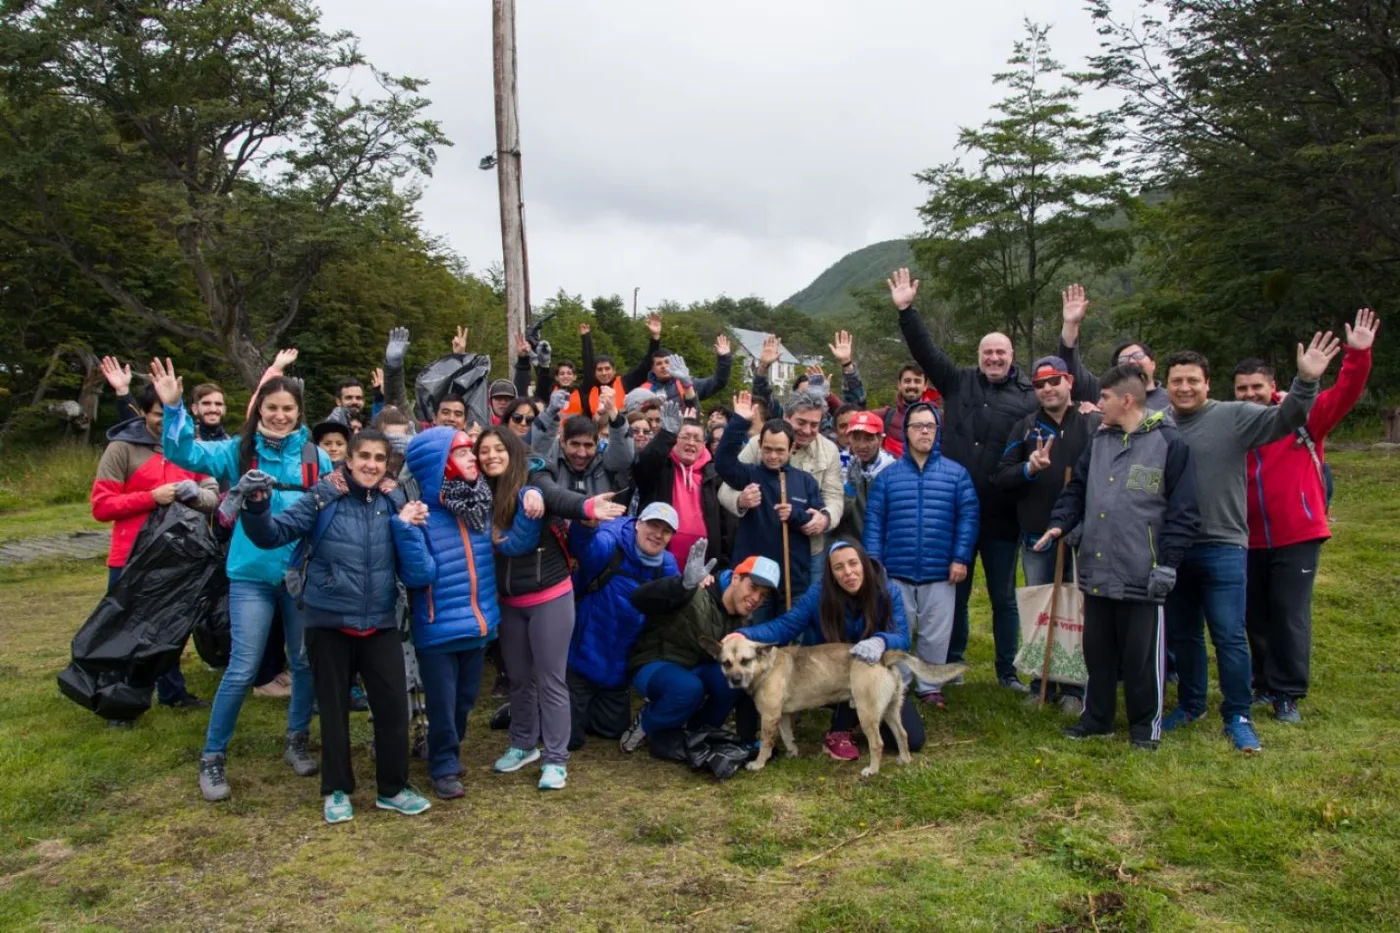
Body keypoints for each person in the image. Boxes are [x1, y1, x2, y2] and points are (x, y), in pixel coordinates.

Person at [889, 267, 1085, 691]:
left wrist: (1084, 401)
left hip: (1001, 513)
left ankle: (1006, 670)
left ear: (1012, 356)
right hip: (953, 511)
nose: (994, 358)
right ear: (979, 356)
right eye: (988, 352)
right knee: (955, 594)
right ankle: (953, 662)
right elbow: (924, 351)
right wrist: (907, 311)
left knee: (1003, 597)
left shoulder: (1028, 398)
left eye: (1002, 352)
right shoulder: (957, 382)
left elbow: (1063, 394)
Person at [151, 357, 333, 802]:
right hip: (251, 574)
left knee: (304, 661)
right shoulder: (239, 450)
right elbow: (182, 453)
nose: (280, 416)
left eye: (288, 409)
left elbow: (333, 510)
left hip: (300, 573)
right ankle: (213, 757)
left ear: (299, 412)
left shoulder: (316, 456)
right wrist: (174, 407)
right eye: (272, 408)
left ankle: (296, 739)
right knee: (243, 667)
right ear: (259, 410)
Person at [240, 430, 435, 823]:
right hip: (328, 620)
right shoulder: (321, 497)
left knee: (393, 709)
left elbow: (419, 571)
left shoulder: (394, 499)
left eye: (379, 458)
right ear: (348, 457)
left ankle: (393, 789)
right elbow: (271, 535)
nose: (371, 465)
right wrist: (257, 505)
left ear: (387, 464)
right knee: (333, 712)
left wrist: (407, 527)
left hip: (379, 620)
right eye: (364, 456)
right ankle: (337, 790)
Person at [1160, 331, 1337, 752]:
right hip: (1175, 548)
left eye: (1193, 380)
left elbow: (1287, 418)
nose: (1185, 388)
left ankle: (1238, 713)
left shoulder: (1234, 415)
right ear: (1166, 386)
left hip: (1223, 544)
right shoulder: (1159, 423)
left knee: (1228, 634)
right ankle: (1190, 704)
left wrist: (1306, 381)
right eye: (1177, 381)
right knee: (1183, 634)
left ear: (1207, 383)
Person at [1036, 364, 1201, 750]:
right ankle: (1097, 719)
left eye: (1105, 398)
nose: (1098, 405)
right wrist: (1061, 524)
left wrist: (1168, 564)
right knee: (1098, 653)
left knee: (1141, 658)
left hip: (1142, 574)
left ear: (1127, 400)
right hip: (1096, 568)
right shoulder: (1099, 442)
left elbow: (1184, 513)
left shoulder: (1169, 444)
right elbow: (1077, 490)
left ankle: (1146, 727)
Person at [1234, 308, 1378, 724]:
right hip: (1247, 536)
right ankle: (1263, 682)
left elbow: (1344, 394)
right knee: (1255, 614)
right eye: (1241, 388)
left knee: (1289, 613)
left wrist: (1358, 356)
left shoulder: (1304, 418)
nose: (1249, 395)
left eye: (1256, 387)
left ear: (1273, 387)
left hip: (1297, 532)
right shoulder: (1235, 426)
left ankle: (1288, 692)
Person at [476, 426, 627, 790]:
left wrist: (588, 506)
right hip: (509, 602)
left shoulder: (536, 479)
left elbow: (560, 498)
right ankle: (523, 743)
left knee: (551, 680)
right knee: (519, 679)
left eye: (499, 449)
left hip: (549, 597)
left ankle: (556, 758)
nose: (491, 456)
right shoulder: (480, 491)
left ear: (513, 453)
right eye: (484, 451)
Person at [90, 382, 220, 715]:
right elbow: (102, 506)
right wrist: (150, 497)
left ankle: (173, 692)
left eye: (170, 414)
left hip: (179, 557)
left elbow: (212, 497)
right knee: (125, 629)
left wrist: (194, 493)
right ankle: (118, 699)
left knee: (172, 627)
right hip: (131, 557)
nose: (165, 421)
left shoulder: (192, 448)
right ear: (144, 413)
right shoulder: (122, 449)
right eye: (159, 414)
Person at [732, 540, 925, 761]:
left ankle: (857, 719)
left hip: (872, 673)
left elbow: (902, 638)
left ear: (864, 563)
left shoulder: (888, 590)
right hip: (826, 677)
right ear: (831, 573)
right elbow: (786, 626)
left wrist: (881, 640)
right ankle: (839, 730)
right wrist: (746, 635)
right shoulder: (819, 594)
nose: (848, 573)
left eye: (853, 564)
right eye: (839, 567)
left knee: (915, 740)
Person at [402, 427, 514, 799]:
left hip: (478, 626)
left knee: (465, 699)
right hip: (438, 630)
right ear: (439, 466)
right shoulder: (420, 517)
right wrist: (407, 532)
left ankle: (445, 748)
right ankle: (444, 765)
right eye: (463, 452)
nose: (474, 458)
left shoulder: (479, 507)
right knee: (442, 702)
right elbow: (419, 575)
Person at [991, 355, 1099, 713]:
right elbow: (1001, 476)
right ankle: (1042, 681)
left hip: (1083, 535)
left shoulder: (1092, 421)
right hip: (1037, 534)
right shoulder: (1025, 427)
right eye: (1040, 384)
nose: (1048, 389)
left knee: (1077, 610)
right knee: (1041, 608)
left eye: (1055, 381)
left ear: (1069, 382)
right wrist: (1028, 467)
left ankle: (1075, 687)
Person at [863, 402, 978, 708]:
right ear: (906, 432)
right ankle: (899, 682)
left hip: (941, 570)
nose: (924, 431)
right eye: (918, 426)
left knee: (936, 633)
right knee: (899, 630)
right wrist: (875, 564)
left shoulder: (957, 475)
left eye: (930, 426)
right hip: (897, 570)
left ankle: (929, 686)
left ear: (938, 431)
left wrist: (960, 557)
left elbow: (968, 518)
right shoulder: (887, 478)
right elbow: (874, 521)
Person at [620, 546, 781, 753]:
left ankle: (701, 732)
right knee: (688, 688)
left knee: (737, 678)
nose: (756, 598)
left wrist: (747, 738)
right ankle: (645, 725)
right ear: (735, 579)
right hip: (655, 661)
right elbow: (639, 598)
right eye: (753, 587)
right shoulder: (698, 588)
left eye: (763, 595)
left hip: (694, 669)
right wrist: (682, 585)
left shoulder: (743, 622)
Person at [567, 503, 681, 750]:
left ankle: (579, 709)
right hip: (580, 659)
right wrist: (586, 525)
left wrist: (692, 585)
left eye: (666, 531)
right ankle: (530, 708)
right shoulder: (611, 542)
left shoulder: (667, 566)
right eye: (653, 525)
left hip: (618, 670)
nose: (658, 534)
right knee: (570, 740)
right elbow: (584, 548)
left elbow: (673, 606)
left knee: (612, 731)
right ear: (638, 523)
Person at [712, 391, 825, 622]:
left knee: (788, 642)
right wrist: (739, 422)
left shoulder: (806, 481)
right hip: (754, 580)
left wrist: (796, 515)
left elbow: (815, 518)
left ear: (791, 448)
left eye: (780, 450)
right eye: (768, 449)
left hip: (792, 578)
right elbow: (722, 462)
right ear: (760, 446)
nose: (773, 456)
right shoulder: (750, 475)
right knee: (754, 637)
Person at [717, 386, 845, 569]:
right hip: (761, 548)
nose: (807, 430)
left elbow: (834, 495)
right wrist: (741, 500)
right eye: (801, 422)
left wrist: (825, 518)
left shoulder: (829, 450)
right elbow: (725, 487)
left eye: (814, 425)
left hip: (809, 549)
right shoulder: (758, 444)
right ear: (786, 416)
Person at [634, 400, 737, 569]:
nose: (691, 443)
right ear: (675, 439)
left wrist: (721, 564)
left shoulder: (714, 475)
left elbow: (727, 526)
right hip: (657, 562)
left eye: (697, 439)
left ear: (704, 446)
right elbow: (643, 467)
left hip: (704, 568)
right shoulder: (661, 466)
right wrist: (666, 434)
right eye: (685, 437)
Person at [1057, 284, 1171, 412]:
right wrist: (1071, 324)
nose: (1132, 362)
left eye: (1137, 356)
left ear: (1153, 363)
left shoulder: (1173, 400)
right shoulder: (1103, 393)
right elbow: (1070, 369)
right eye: (1123, 360)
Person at [564, 320, 660, 419]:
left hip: (620, 430)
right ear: (595, 372)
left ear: (614, 370)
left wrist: (655, 339)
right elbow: (587, 361)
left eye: (607, 369)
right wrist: (586, 337)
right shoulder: (589, 388)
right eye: (600, 370)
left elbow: (646, 365)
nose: (604, 373)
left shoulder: (625, 382)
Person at [834, 410, 896, 541]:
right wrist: (850, 489)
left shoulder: (893, 469)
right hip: (853, 546)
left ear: (880, 439)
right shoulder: (839, 466)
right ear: (849, 438)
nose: (862, 445)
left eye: (868, 439)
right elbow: (837, 515)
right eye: (856, 438)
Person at [870, 363, 942, 458]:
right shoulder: (886, 416)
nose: (912, 385)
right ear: (899, 385)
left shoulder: (941, 419)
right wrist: (848, 367)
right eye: (907, 381)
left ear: (925, 386)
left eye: (917, 381)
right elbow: (854, 416)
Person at [641, 333, 733, 404]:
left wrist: (724, 358)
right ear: (652, 368)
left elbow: (718, 382)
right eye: (659, 363)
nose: (663, 366)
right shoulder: (642, 389)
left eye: (667, 362)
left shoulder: (689, 383)